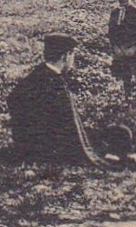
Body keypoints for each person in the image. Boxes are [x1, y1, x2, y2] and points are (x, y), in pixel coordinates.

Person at [7, 33, 106, 166]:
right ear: (66, 56)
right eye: (72, 56)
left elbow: (12, 99)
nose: (73, 61)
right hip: (50, 149)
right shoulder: (55, 83)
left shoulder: (35, 75)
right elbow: (67, 128)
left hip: (26, 145)